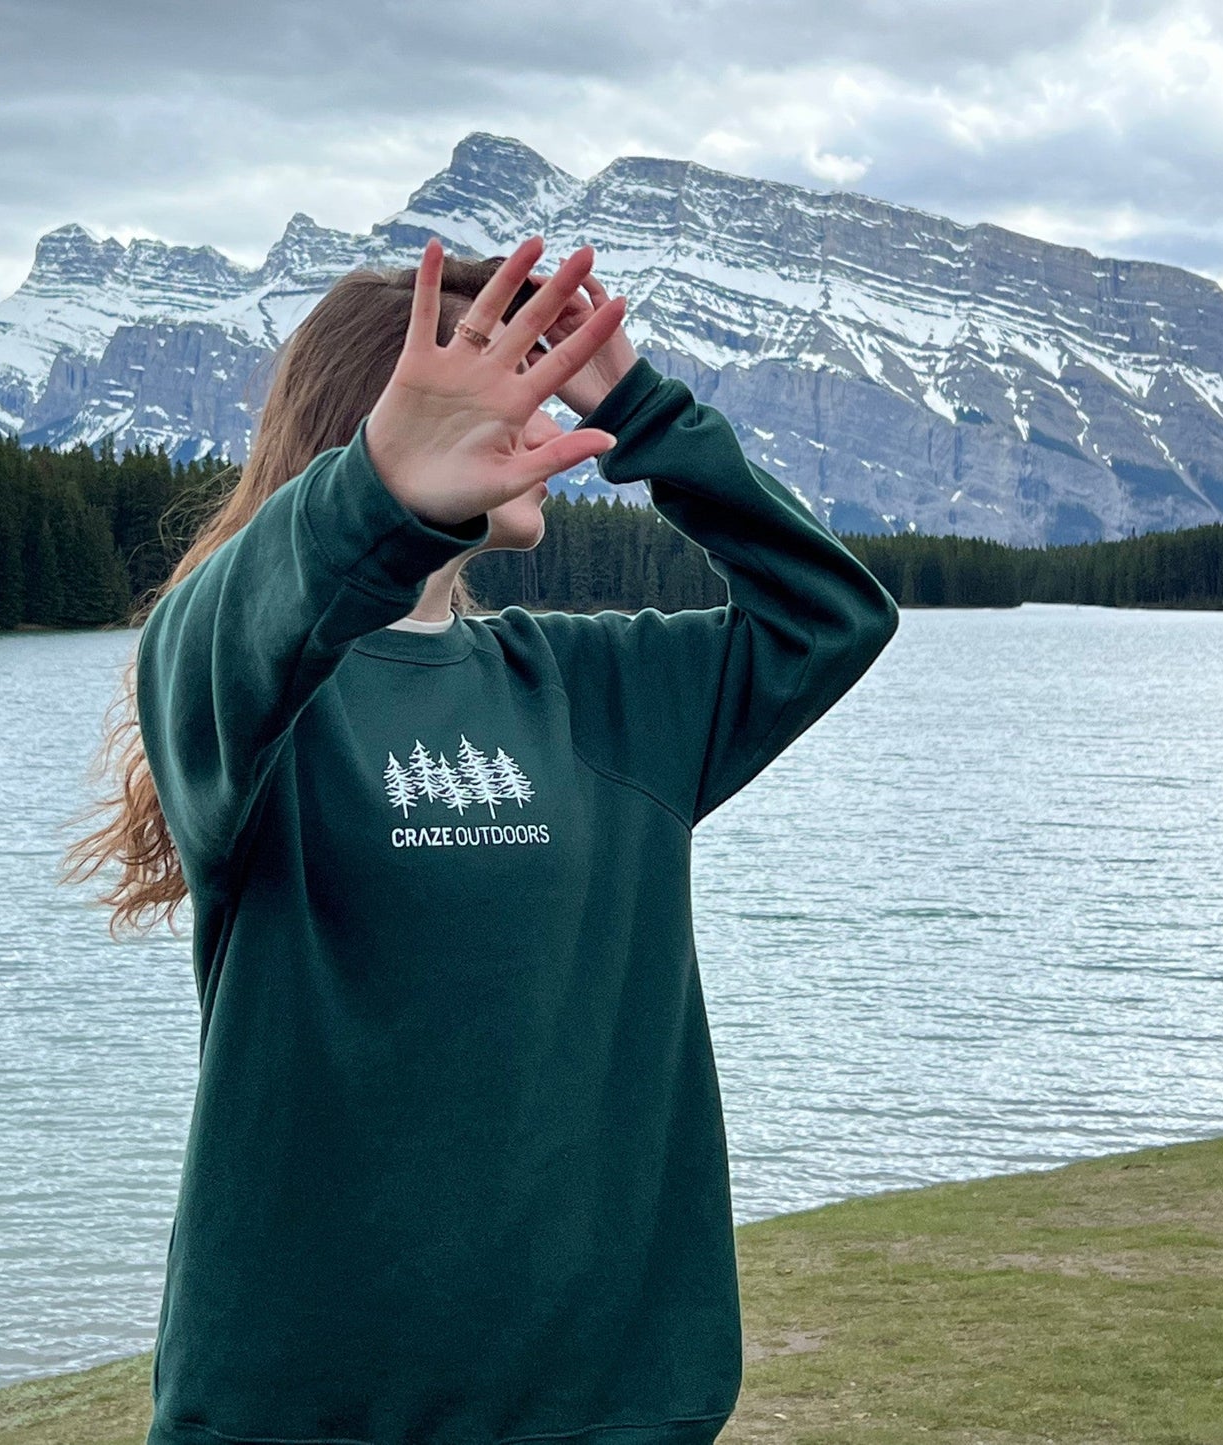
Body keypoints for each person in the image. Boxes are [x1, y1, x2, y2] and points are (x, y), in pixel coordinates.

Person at [68, 235, 899, 1445]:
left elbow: (829, 614)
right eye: (505, 394)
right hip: (299, 1418)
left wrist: (637, 407)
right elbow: (207, 636)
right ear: (386, 421)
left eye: (544, 386)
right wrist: (379, 492)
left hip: (606, 1414)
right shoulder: (257, 709)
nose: (543, 428)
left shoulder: (600, 693)